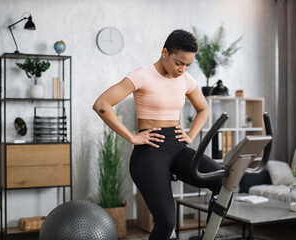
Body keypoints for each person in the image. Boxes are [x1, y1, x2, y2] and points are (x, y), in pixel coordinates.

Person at [93, 29, 223, 240]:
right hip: (149, 152)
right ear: (164, 52)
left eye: (188, 65)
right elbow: (102, 104)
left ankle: (208, 237)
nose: (182, 69)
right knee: (166, 222)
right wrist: (133, 137)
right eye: (179, 63)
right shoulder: (142, 74)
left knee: (222, 180)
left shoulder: (186, 79)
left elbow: (204, 109)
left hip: (178, 147)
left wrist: (190, 135)